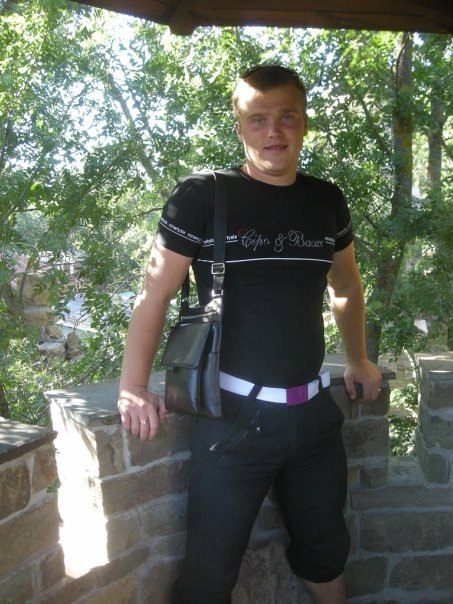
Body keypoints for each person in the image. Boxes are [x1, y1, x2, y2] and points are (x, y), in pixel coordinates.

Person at [118, 64, 382, 604]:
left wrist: (357, 359)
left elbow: (347, 286)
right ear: (239, 126)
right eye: (258, 119)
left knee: (326, 549)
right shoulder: (203, 195)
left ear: (304, 122)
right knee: (210, 573)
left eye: (287, 117)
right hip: (232, 421)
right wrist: (133, 386)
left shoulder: (325, 199)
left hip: (314, 419)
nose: (273, 131)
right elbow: (154, 293)